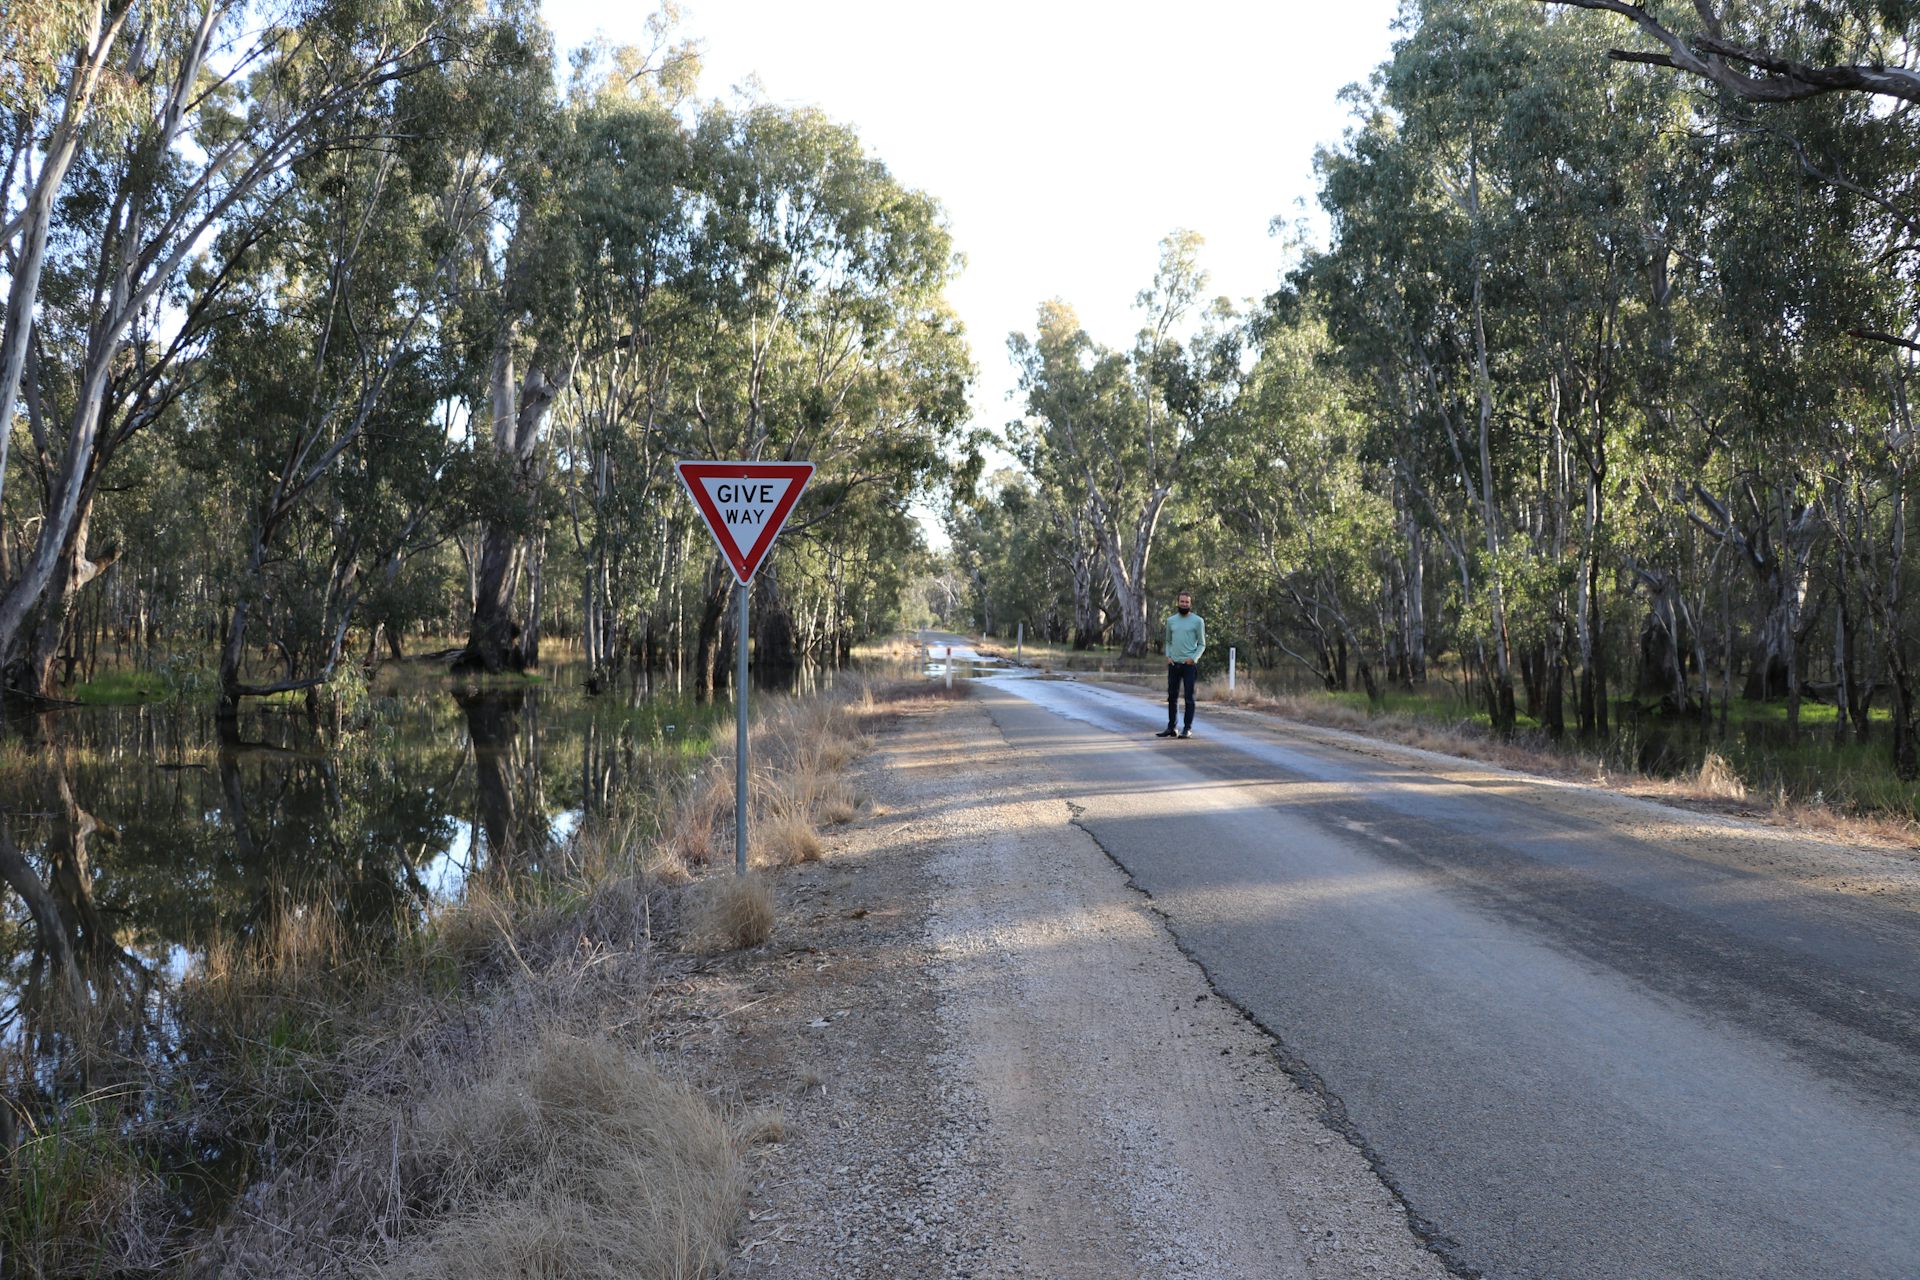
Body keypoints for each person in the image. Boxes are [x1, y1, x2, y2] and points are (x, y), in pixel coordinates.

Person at [1156, 591, 1205, 739]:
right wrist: (1168, 655)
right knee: (1172, 697)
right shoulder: (1171, 620)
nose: (1184, 604)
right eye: (1182, 602)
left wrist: (1194, 658)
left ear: (1190, 604)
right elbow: (1168, 641)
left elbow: (1202, 644)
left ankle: (1187, 728)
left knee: (1189, 697)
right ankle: (1172, 727)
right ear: (1177, 602)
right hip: (1174, 664)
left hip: (1189, 665)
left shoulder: (1198, 621)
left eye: (1187, 602)